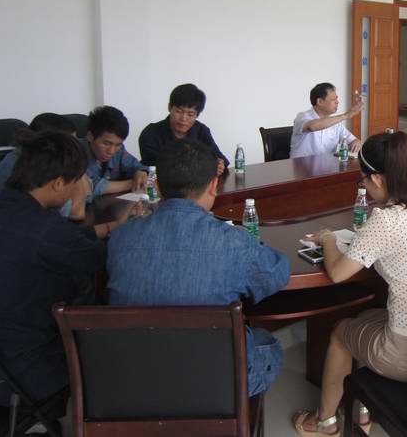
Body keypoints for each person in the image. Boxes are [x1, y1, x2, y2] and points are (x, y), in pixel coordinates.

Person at [292, 132, 407, 436]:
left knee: (341, 331)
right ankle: (363, 410)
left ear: (378, 179)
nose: (365, 189)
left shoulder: (386, 221)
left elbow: (338, 273)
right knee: (368, 316)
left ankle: (324, 422)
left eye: (364, 182)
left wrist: (328, 238)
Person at [107, 139, 289, 397]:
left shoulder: (120, 238)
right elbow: (278, 275)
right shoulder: (234, 243)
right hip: (214, 384)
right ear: (214, 185)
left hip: (134, 378)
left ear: (156, 187)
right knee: (269, 344)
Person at [0, 131, 108, 407]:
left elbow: (52, 241)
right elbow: (100, 260)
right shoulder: (47, 229)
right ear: (58, 183)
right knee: (89, 288)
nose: (80, 188)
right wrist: (83, 205)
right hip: (22, 379)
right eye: (77, 182)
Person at [0, 113, 86, 219]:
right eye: (70, 144)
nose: (74, 150)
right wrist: (76, 169)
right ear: (50, 145)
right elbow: (76, 213)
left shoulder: (24, 156)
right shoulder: (30, 167)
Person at [138, 83, 229, 174]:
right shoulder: (150, 133)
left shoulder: (201, 131)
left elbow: (220, 159)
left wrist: (219, 165)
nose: (183, 118)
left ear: (197, 115)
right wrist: (204, 166)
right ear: (169, 107)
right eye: (179, 111)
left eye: (190, 114)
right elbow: (157, 170)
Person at [85, 105, 147, 201]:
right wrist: (131, 183)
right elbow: (87, 188)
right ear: (90, 136)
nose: (111, 151)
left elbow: (136, 166)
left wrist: (141, 172)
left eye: (118, 144)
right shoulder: (72, 153)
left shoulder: (119, 150)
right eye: (106, 143)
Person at [290, 82, 363, 159]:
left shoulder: (335, 123)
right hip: (301, 165)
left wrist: (356, 142)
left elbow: (353, 140)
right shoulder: (302, 117)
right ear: (320, 102)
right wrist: (346, 115)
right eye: (333, 99)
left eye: (337, 98)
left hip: (327, 165)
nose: (337, 102)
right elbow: (312, 127)